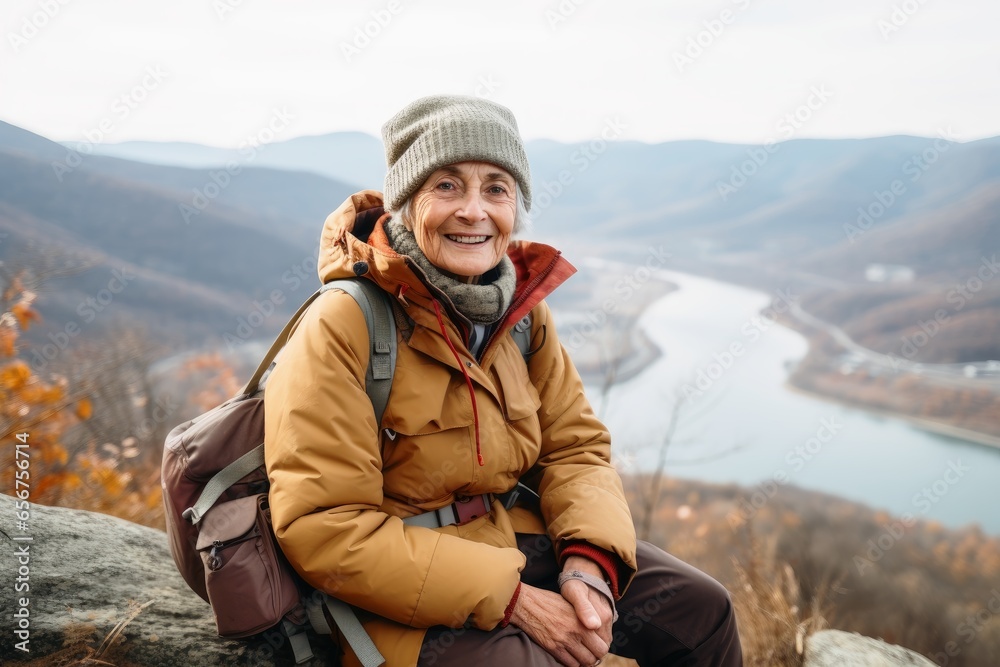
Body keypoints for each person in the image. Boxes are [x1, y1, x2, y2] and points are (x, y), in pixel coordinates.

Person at [264, 95, 742, 667]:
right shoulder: (346, 322)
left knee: (702, 612)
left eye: (496, 188)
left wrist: (588, 563)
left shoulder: (519, 312)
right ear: (404, 202)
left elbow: (576, 446)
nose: (474, 210)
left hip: (507, 536)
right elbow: (325, 528)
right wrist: (518, 602)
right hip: (391, 592)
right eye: (446, 186)